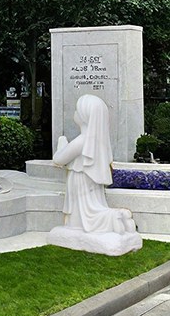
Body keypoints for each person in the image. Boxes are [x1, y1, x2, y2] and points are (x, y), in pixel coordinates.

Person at [53, 94, 136, 234]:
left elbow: (58, 159)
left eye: (77, 110)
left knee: (85, 212)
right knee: (93, 206)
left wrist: (62, 143)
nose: (75, 113)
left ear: (85, 117)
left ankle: (112, 218)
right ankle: (116, 217)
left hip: (80, 181)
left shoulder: (81, 141)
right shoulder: (99, 142)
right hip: (92, 183)